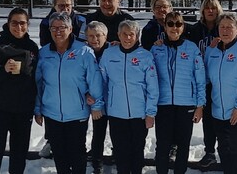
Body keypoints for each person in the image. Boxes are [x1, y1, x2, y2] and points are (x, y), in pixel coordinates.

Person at [34, 12, 104, 174]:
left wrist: (97, 105)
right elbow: (39, 84)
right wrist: (38, 109)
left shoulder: (84, 51)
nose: (58, 31)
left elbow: (94, 80)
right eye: (54, 28)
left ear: (71, 28)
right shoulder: (44, 53)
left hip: (77, 113)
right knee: (59, 154)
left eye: (62, 27)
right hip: (52, 113)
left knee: (77, 153)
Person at [99, 20, 159, 173]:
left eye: (131, 34)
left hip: (139, 114)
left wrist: (150, 113)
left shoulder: (145, 56)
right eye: (124, 34)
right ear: (118, 35)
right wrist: (102, 104)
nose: (127, 38)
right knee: (120, 151)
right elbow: (101, 82)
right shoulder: (109, 54)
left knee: (137, 150)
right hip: (116, 113)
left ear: (137, 36)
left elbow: (152, 87)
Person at [151, 12, 206, 174]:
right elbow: (149, 77)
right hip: (163, 104)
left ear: (183, 27)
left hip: (186, 105)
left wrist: (199, 105)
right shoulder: (156, 48)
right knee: (163, 145)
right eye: (170, 24)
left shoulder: (191, 48)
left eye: (178, 24)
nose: (174, 27)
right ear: (165, 26)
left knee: (183, 145)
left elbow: (200, 78)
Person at [204, 12, 237, 174]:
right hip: (218, 110)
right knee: (223, 147)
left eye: (229, 27)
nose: (225, 30)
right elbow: (205, 77)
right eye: (222, 27)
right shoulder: (212, 51)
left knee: (236, 147)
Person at [0, 7, 38, 174]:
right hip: (1, 108)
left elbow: (37, 77)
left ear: (28, 25)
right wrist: (2, 69)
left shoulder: (32, 47)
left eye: (22, 23)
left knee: (19, 153)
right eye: (14, 23)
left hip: (23, 110)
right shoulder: (0, 44)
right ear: (8, 24)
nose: (18, 27)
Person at [187, 0, 223, 167]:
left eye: (213, 8)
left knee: (222, 116)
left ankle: (225, 149)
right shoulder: (195, 30)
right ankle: (210, 151)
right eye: (207, 7)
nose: (210, 11)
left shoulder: (223, 28)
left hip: (221, 79)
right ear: (202, 10)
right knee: (208, 117)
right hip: (202, 80)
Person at [85, 21, 109, 174]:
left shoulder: (114, 51)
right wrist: (86, 93)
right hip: (94, 101)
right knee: (98, 133)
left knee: (117, 134)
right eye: (91, 36)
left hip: (113, 101)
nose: (95, 39)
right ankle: (96, 163)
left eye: (98, 36)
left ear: (105, 36)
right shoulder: (84, 52)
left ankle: (120, 158)